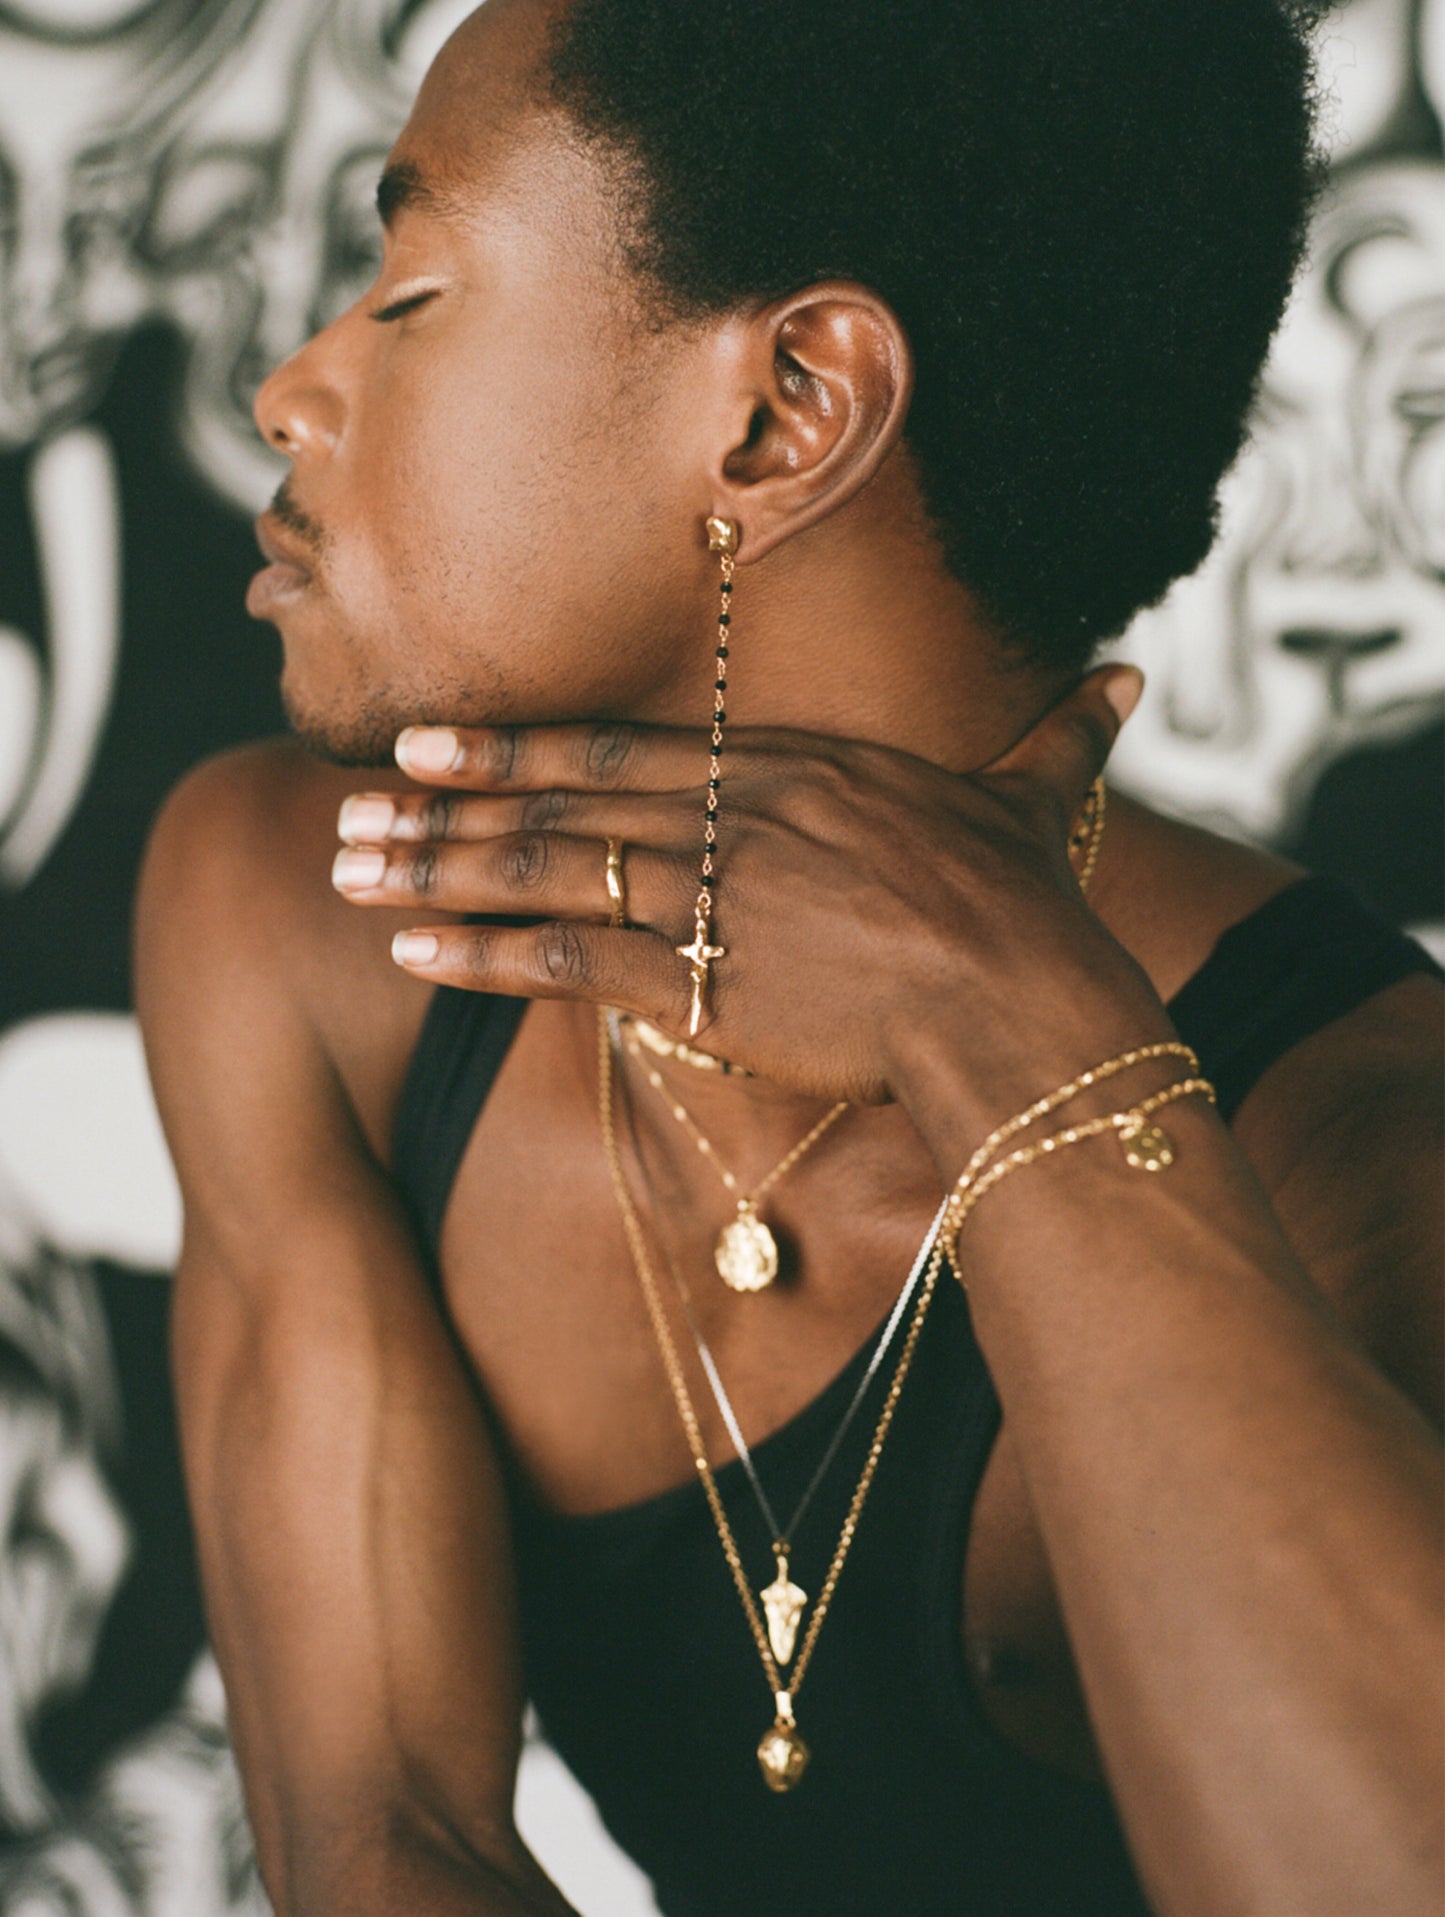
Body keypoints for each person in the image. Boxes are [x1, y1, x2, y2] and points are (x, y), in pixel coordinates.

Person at [133, 1, 1444, 1912]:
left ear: (783, 411)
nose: (291, 389)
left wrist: (1009, 1019)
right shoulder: (301, 922)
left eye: (409, 290)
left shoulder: (1361, 1166)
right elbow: (382, 1841)